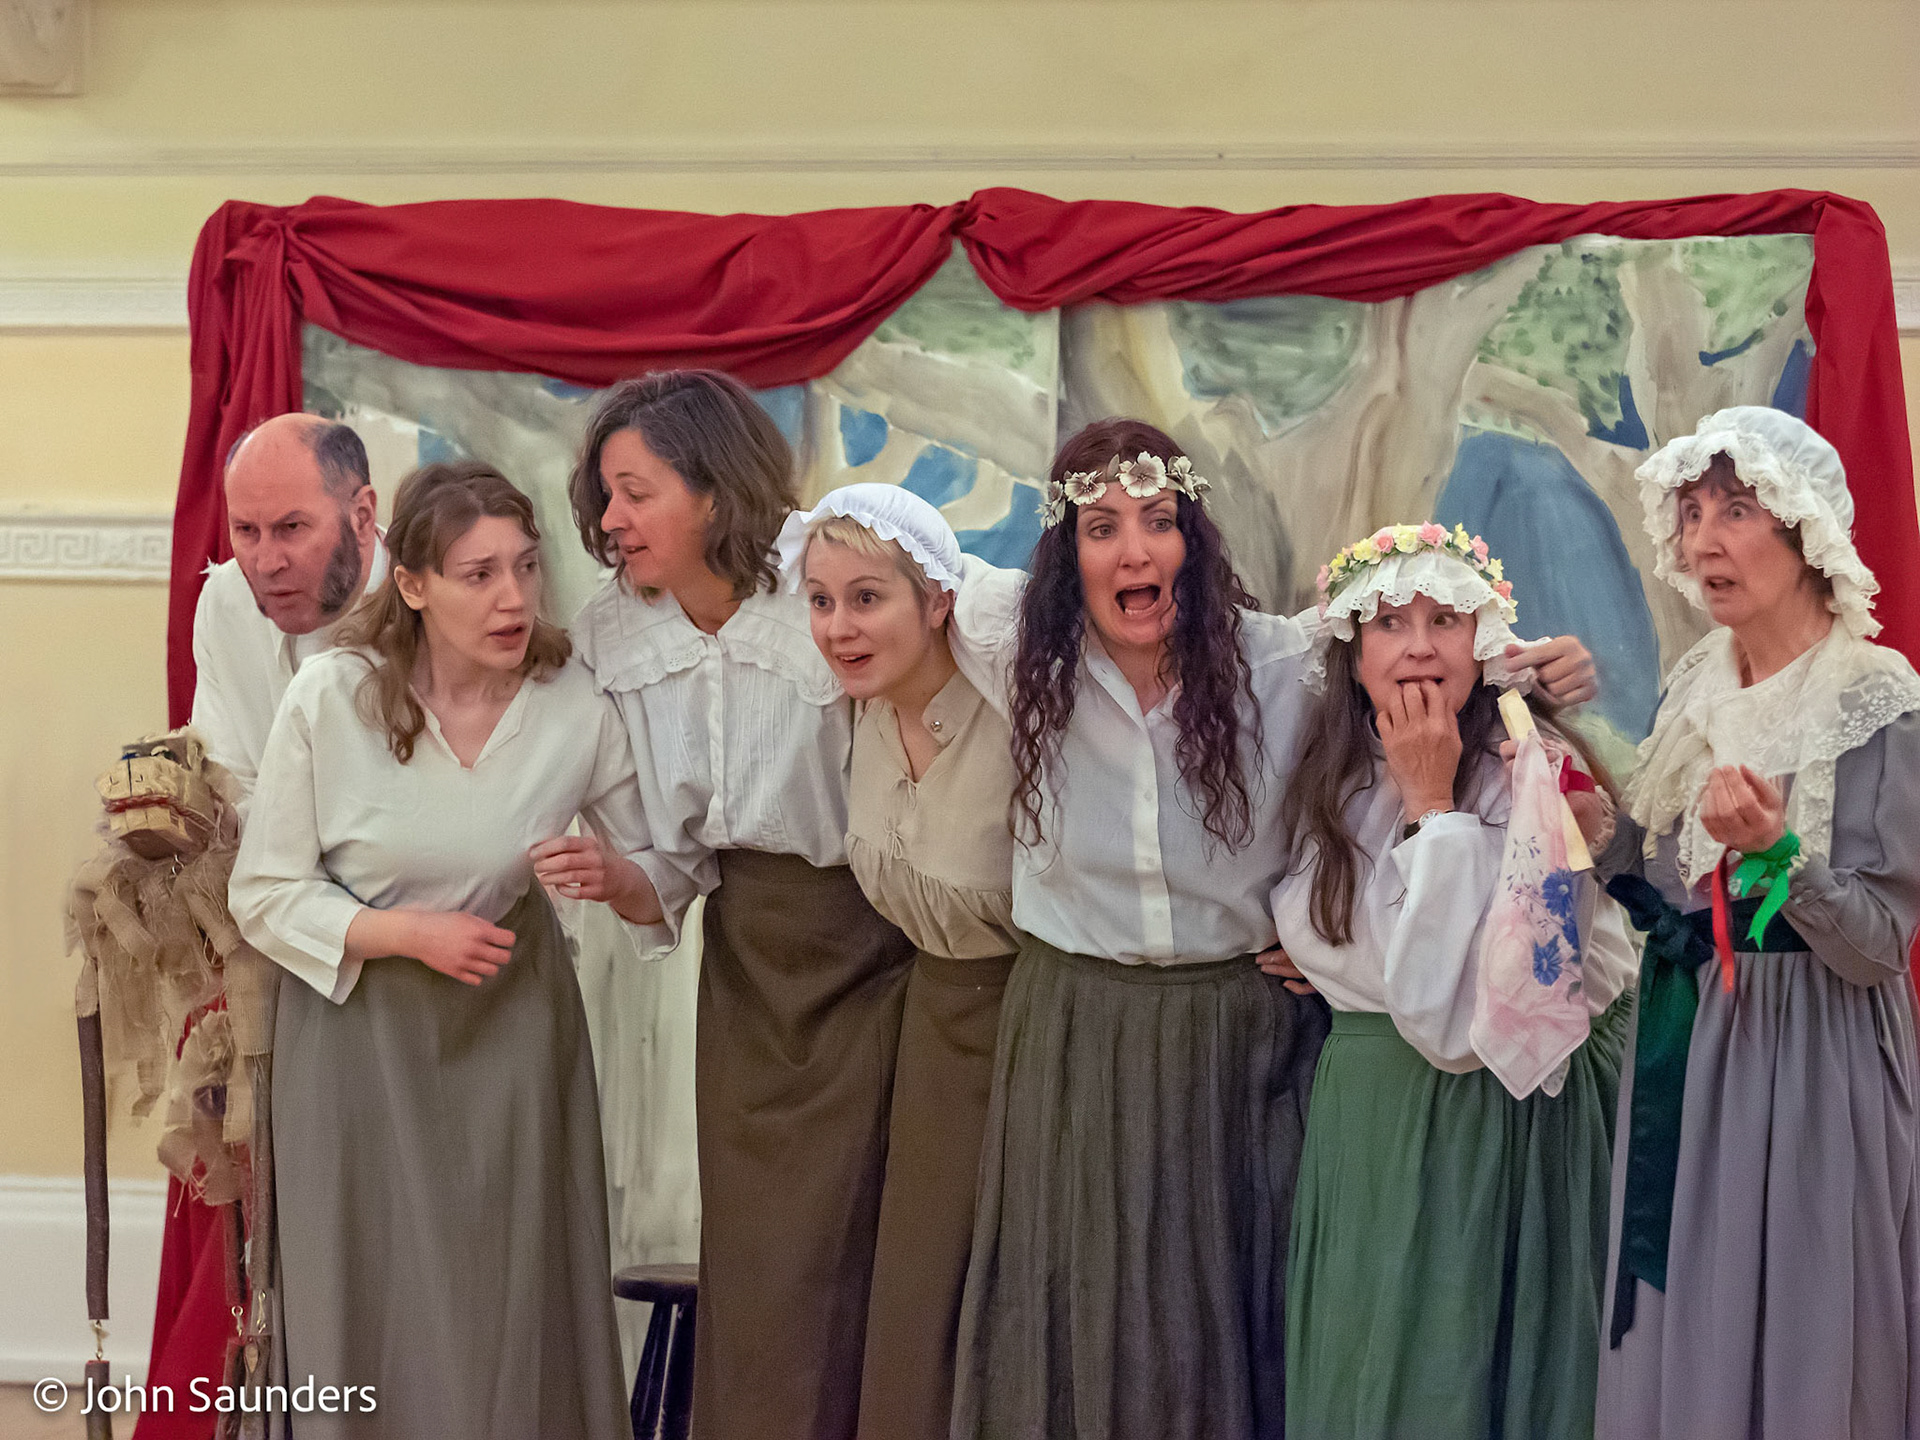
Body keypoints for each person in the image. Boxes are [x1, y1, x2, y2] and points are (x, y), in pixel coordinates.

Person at [944, 418, 1602, 1440]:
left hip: (1241, 1039)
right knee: (1082, 1295)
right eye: (1101, 527)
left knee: (1236, 1311)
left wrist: (1538, 669)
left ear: (1195, 539)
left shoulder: (1282, 665)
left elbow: (1413, 638)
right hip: (1078, 1028)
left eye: (1159, 520)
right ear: (1066, 554)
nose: (1134, 550)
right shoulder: (1015, 647)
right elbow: (885, 568)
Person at [229, 460, 658, 1440]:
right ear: (414, 585)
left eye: (526, 567)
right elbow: (264, 892)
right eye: (479, 574)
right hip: (355, 1040)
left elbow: (654, 870)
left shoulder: (573, 706)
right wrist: (404, 934)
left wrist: (611, 873)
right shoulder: (331, 697)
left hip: (512, 1032)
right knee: (365, 1295)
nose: (513, 598)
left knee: (500, 1301)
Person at [567, 372, 916, 1440]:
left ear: (715, 491)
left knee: (882, 1245)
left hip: (886, 944)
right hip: (749, 968)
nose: (611, 519)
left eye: (636, 493)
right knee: (763, 1262)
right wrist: (617, 879)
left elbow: (974, 627)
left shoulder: (828, 570)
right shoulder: (610, 636)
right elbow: (665, 863)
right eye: (606, 496)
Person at [1592, 406, 1920, 1439]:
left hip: (1810, 1062)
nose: (1704, 541)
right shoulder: (1696, 684)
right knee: (1689, 1324)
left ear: (1804, 528)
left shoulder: (1874, 699)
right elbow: (1657, 886)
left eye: (1735, 510)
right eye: (1692, 514)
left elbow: (1878, 945)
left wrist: (1780, 854)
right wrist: (1583, 809)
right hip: (1689, 1046)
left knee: (1805, 1337)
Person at [1269, 523, 1638, 1440]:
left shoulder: (1528, 775)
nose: (1420, 646)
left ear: (1486, 644)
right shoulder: (1329, 775)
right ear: (1354, 649)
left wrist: (1433, 806)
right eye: (1390, 622)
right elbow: (1324, 931)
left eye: (1446, 620)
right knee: (1375, 1362)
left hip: (1500, 1125)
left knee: (1467, 1364)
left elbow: (1457, 1019)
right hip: (1373, 1122)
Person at [135, 413, 388, 1440]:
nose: (265, 559)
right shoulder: (226, 601)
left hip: (402, 954)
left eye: (292, 529)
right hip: (267, 946)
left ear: (363, 514)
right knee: (259, 1217)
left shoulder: (432, 606)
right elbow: (231, 778)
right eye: (246, 531)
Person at [785, 484, 1019, 1440]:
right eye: (821, 600)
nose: (839, 626)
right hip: (929, 1034)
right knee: (917, 1303)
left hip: (1032, 1037)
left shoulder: (1021, 720)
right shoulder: (860, 719)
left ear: (938, 603)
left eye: (867, 598)